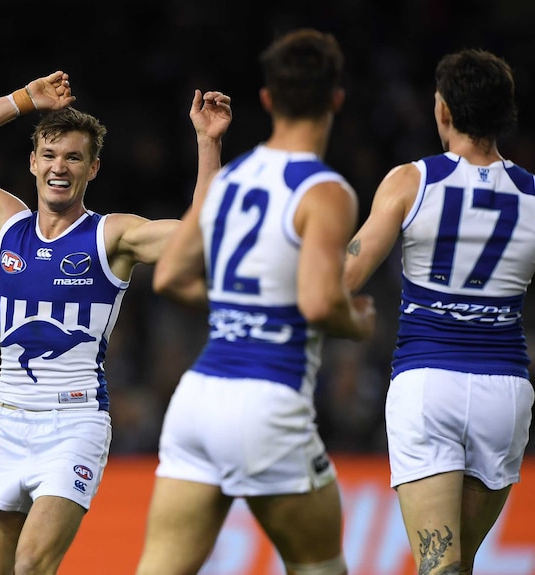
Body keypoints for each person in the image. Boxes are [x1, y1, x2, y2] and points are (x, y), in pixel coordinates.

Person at [0, 71, 232, 575]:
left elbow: (200, 238)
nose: (59, 168)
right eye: (49, 155)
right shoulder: (5, 224)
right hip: (6, 423)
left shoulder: (111, 235)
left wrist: (207, 142)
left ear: (93, 168)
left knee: (30, 564)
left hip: (74, 424)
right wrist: (24, 100)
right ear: (32, 162)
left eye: (73, 158)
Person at [137, 29, 376, 575]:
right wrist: (356, 322)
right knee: (320, 566)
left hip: (198, 399)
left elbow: (170, 275)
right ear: (336, 100)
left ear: (267, 100)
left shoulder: (232, 177)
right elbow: (319, 303)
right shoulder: (326, 191)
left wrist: (237, 311)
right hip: (268, 401)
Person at [343, 48, 535, 574]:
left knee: (439, 567)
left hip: (428, 384)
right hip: (506, 392)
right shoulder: (533, 197)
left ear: (443, 111)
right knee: (460, 566)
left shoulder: (411, 181)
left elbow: (345, 278)